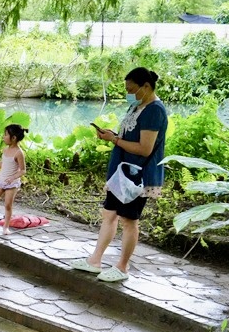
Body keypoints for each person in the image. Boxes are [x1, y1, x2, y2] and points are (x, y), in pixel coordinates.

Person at [71, 67, 168, 282]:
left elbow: (145, 148)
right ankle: (94, 261)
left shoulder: (155, 111)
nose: (128, 94)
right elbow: (130, 138)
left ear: (146, 86)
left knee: (129, 220)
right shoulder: (137, 106)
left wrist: (114, 140)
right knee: (109, 214)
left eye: (131, 89)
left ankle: (122, 267)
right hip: (122, 173)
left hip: (137, 176)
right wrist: (113, 135)